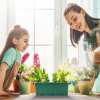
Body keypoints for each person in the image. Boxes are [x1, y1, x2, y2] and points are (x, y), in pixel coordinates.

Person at [64, 3, 100, 95]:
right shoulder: (86, 40)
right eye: (71, 24)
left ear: (82, 12)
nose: (74, 25)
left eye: (75, 19)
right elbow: (93, 70)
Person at [0, 25, 29, 96]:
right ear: (15, 41)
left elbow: (14, 74)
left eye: (28, 42)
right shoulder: (12, 51)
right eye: (25, 41)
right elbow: (2, 69)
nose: (27, 44)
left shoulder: (18, 55)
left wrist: (23, 75)